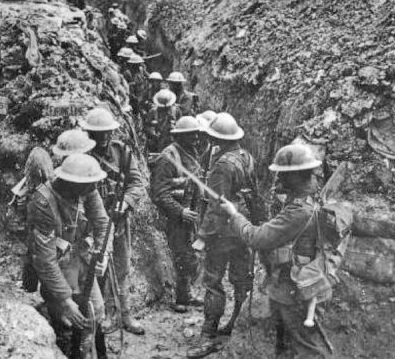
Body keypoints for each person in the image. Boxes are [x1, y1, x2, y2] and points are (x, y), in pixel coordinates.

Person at [217, 143, 333, 359]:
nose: (279, 178)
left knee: (308, 348)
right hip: (292, 285)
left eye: (284, 174)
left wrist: (234, 214)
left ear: (298, 176)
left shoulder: (298, 211)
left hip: (295, 289)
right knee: (286, 345)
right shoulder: (311, 197)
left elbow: (257, 238)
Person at [187, 112, 264, 359]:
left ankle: (208, 335)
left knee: (213, 281)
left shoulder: (222, 165)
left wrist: (202, 235)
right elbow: (254, 194)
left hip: (222, 232)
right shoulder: (246, 157)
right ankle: (236, 325)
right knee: (242, 279)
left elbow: (216, 205)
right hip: (243, 227)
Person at [27, 153, 112, 359]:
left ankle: (88, 352)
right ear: (71, 183)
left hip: (82, 260)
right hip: (57, 266)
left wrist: (104, 253)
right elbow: (45, 259)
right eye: (87, 186)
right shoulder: (43, 202)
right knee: (66, 323)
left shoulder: (87, 188)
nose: (92, 189)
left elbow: (103, 223)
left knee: (95, 311)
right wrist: (65, 300)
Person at [81, 108, 148, 335]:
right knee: (98, 267)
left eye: (107, 133)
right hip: (93, 224)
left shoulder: (122, 152)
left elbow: (137, 184)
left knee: (122, 266)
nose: (104, 138)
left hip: (119, 220)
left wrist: (125, 202)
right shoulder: (82, 157)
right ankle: (104, 315)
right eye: (98, 134)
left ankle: (125, 314)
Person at [149, 116, 205, 313]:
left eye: (196, 135)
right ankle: (181, 298)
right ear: (180, 137)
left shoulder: (191, 152)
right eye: (191, 135)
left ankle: (186, 294)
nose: (196, 139)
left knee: (190, 254)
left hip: (191, 212)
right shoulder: (168, 158)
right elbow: (159, 193)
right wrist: (180, 212)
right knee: (183, 256)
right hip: (176, 217)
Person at [144, 89, 182, 154]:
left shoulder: (176, 110)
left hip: (172, 139)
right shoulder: (153, 111)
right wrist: (152, 132)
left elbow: (181, 124)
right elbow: (146, 126)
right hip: (157, 140)